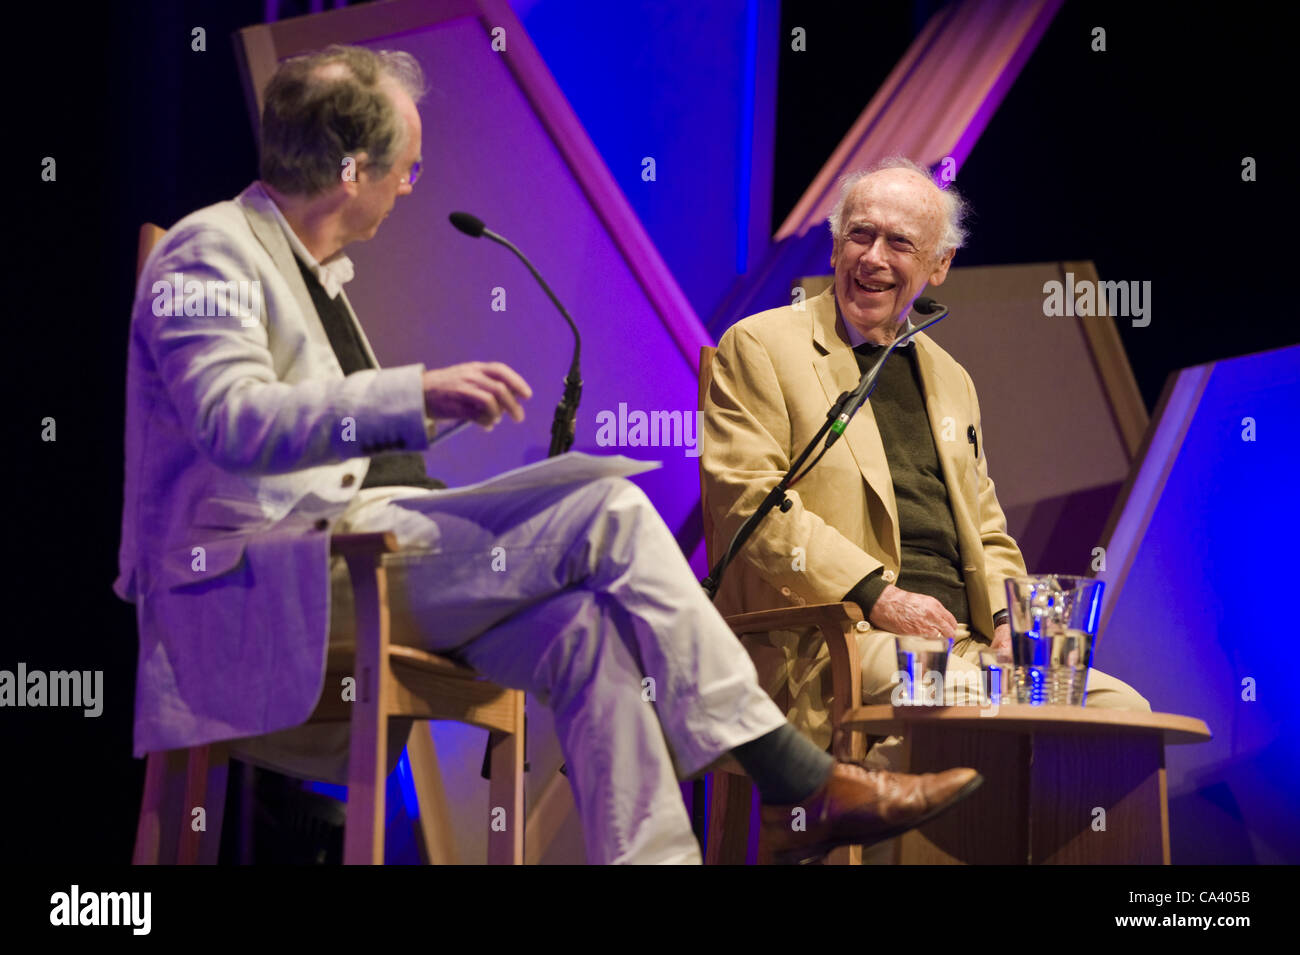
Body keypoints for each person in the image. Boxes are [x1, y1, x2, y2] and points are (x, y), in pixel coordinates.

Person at [113, 47, 982, 864]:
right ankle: (799, 778)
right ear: (352, 168)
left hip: (351, 561)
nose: (412, 187)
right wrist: (414, 397)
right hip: (254, 584)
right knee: (606, 509)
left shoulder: (313, 274)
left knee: (583, 633)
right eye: (406, 166)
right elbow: (231, 421)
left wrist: (429, 442)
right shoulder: (209, 250)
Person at [701, 158, 1149, 758]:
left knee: (1121, 713)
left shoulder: (951, 379)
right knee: (965, 703)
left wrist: (1009, 630)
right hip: (840, 637)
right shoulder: (761, 345)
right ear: (835, 247)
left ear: (939, 266)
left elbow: (988, 531)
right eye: (859, 234)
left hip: (961, 642)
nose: (874, 257)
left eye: (900, 243)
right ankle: (876, 835)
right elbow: (749, 502)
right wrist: (878, 595)